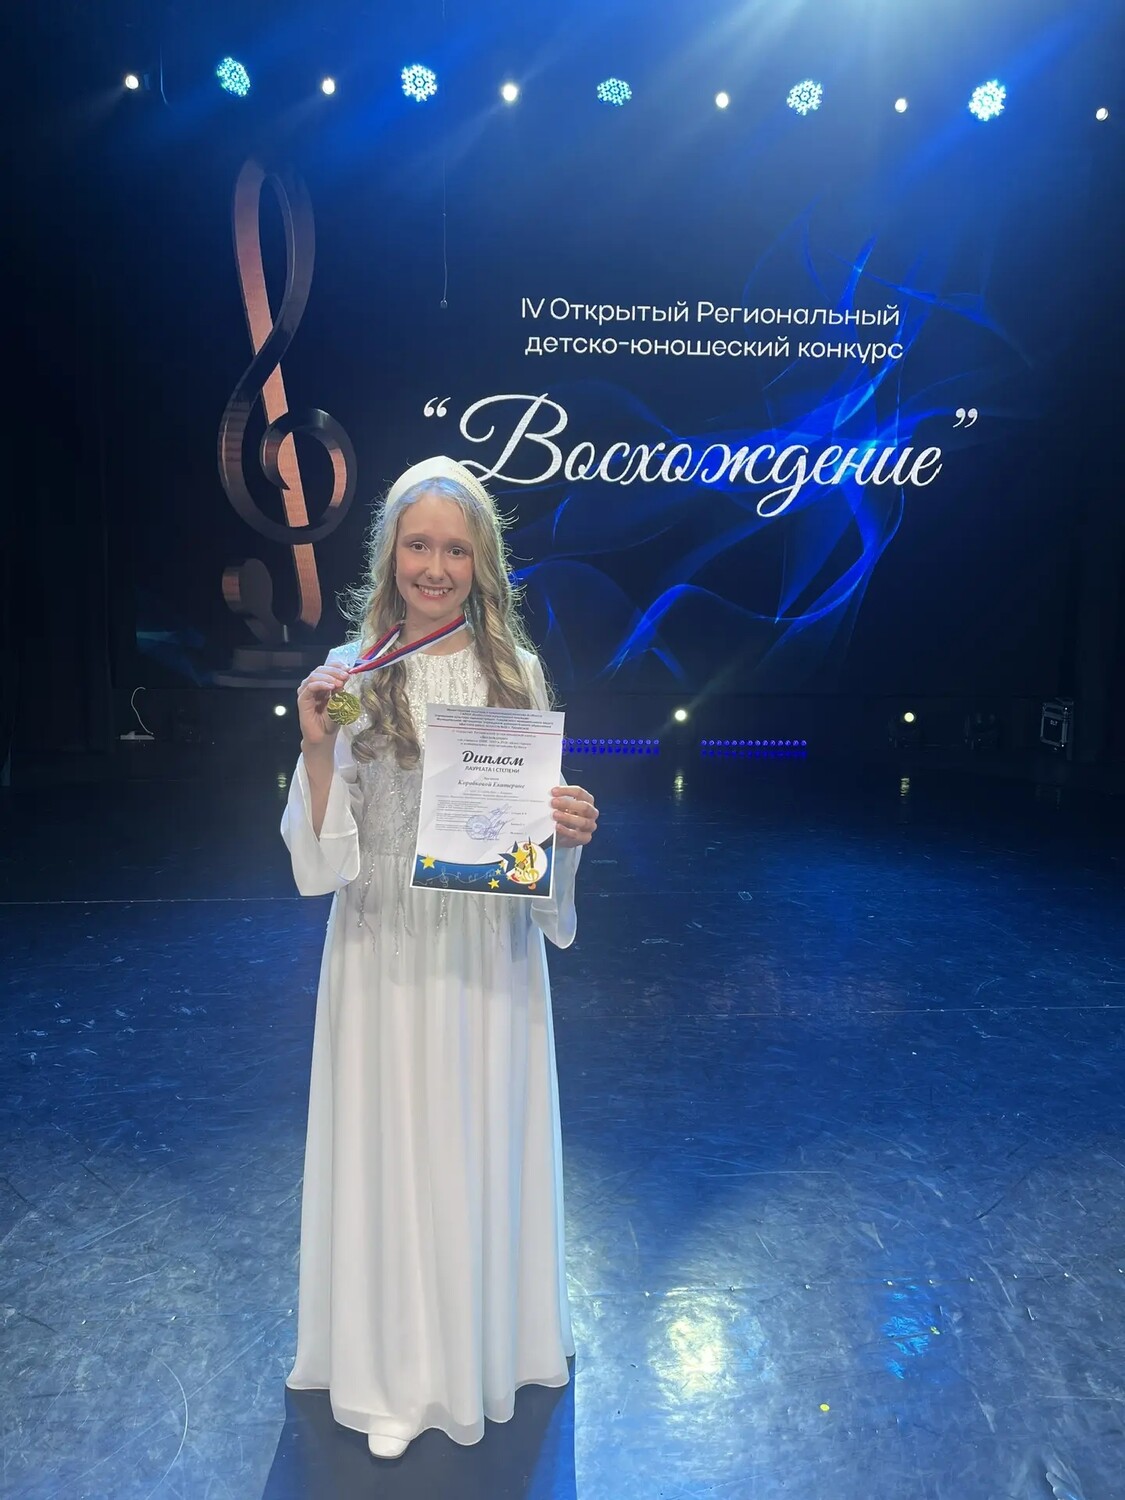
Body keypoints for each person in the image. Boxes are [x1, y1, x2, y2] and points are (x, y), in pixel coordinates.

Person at [280, 456, 599, 1459]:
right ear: (389, 555)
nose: (434, 566)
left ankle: (484, 1347)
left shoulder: (516, 673)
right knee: (393, 1148)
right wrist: (316, 747)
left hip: (485, 957)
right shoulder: (349, 673)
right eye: (417, 545)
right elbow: (318, 859)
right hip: (384, 955)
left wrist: (567, 833)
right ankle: (398, 1366)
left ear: (481, 562)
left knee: (475, 1143)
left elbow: (533, 847)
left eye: (455, 549)